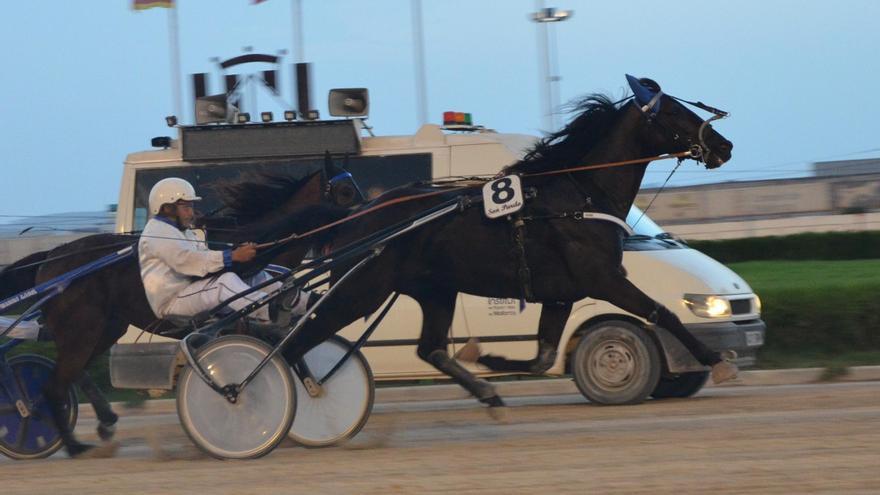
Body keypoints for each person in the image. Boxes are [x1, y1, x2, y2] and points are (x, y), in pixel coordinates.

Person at [138, 177, 308, 323]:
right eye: (186, 207)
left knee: (253, 276)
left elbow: (202, 255)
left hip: (192, 290)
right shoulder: (157, 231)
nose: (191, 214)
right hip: (172, 302)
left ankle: (303, 302)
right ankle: (271, 312)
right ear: (167, 208)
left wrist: (235, 253)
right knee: (223, 283)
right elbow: (186, 261)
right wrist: (232, 256)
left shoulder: (184, 231)